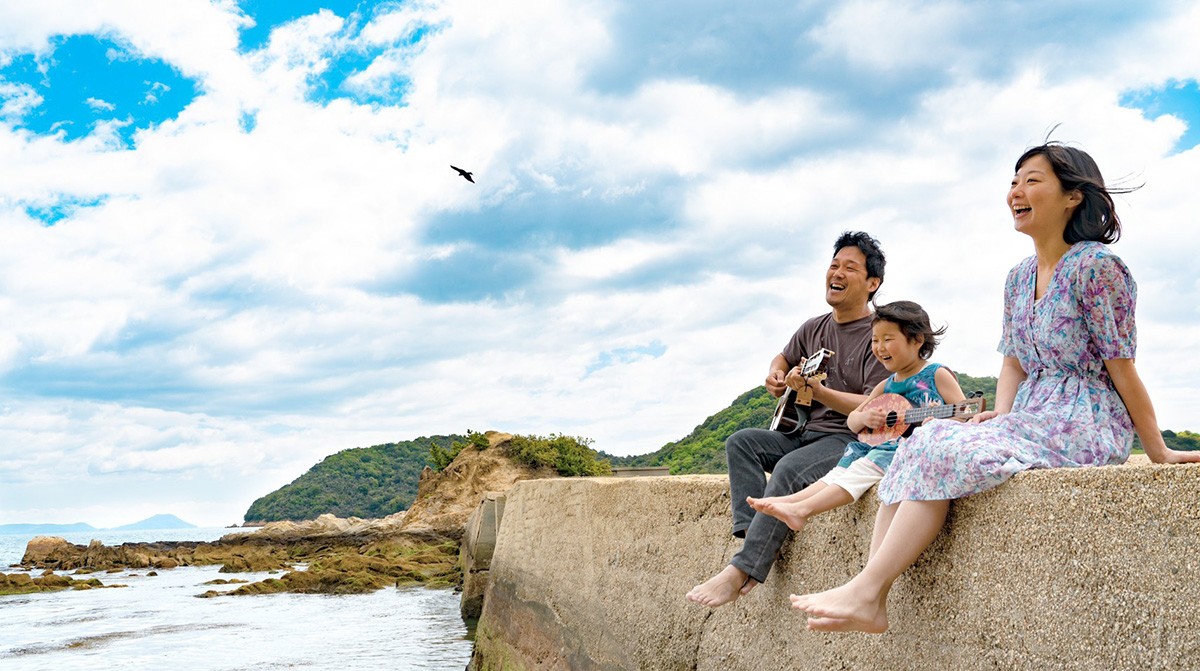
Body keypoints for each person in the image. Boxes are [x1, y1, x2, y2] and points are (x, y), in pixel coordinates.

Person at [789, 142, 1200, 633]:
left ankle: (867, 592)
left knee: (939, 444)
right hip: (1030, 414)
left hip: (1083, 419)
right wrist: (1002, 416)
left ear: (1073, 196)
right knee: (925, 439)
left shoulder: (1098, 268)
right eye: (1013, 181)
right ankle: (869, 593)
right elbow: (1012, 363)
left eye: (1032, 180)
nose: (1016, 192)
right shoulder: (1017, 277)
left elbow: (1122, 366)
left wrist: (1156, 449)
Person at [686, 231, 890, 608]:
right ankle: (754, 535)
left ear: (872, 283)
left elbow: (871, 408)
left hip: (844, 439)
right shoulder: (813, 326)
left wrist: (819, 392)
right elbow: (782, 358)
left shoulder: (879, 335)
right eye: (833, 265)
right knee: (741, 442)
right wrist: (776, 376)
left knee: (788, 471)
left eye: (850, 268)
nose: (837, 273)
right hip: (800, 430)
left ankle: (741, 569)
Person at [746, 300, 967, 532]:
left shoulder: (936, 375)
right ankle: (792, 500)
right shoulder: (886, 385)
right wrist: (865, 419)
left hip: (906, 454)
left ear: (917, 340)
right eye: (875, 340)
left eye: (888, 339)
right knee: (842, 468)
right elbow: (853, 419)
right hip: (880, 448)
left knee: (864, 468)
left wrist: (941, 423)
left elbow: (965, 413)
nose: (880, 347)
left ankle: (803, 510)